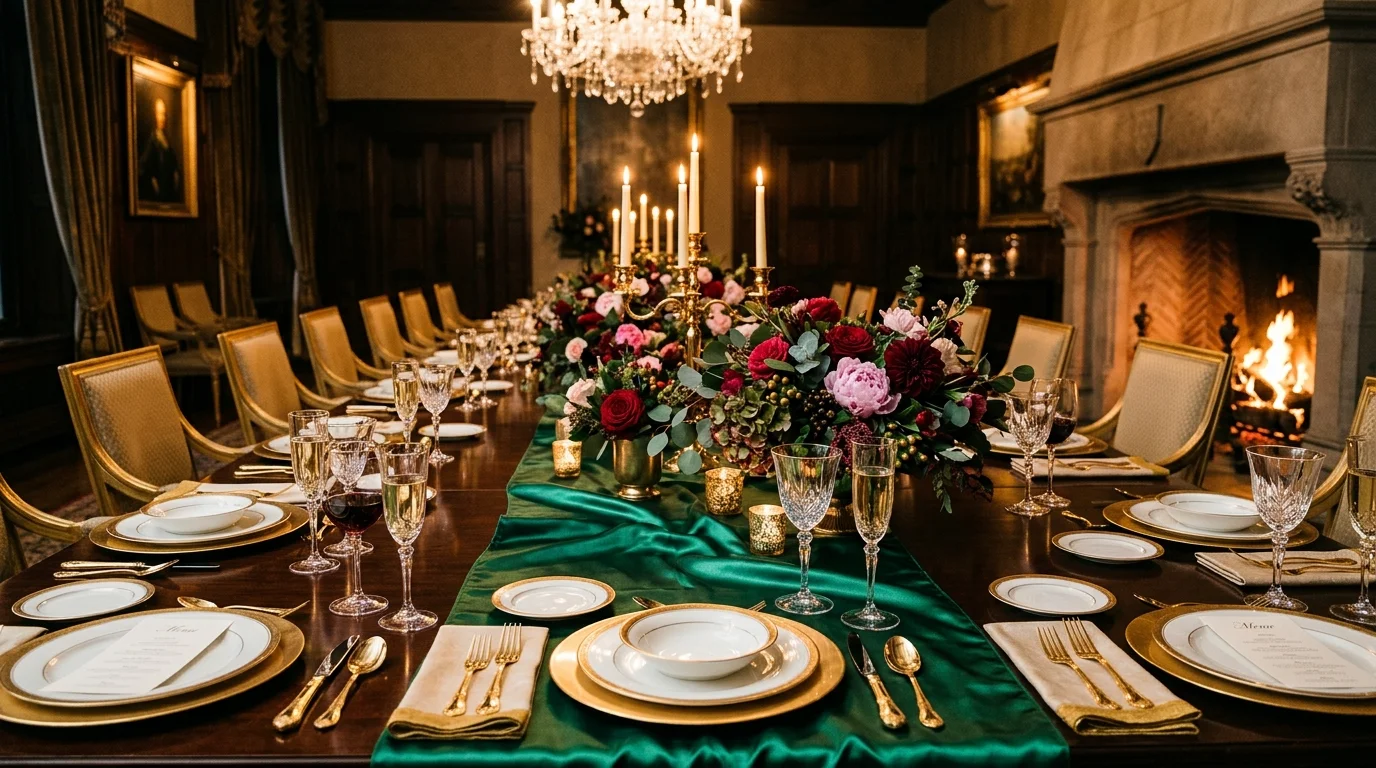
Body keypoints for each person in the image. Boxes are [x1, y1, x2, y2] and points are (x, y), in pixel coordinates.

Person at [138, 97, 181, 203]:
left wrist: (175, 174)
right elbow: (143, 167)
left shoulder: (167, 137)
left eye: (164, 114)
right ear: (153, 115)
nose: (162, 118)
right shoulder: (152, 139)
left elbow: (173, 162)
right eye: (159, 114)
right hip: (158, 193)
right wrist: (153, 183)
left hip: (169, 191)